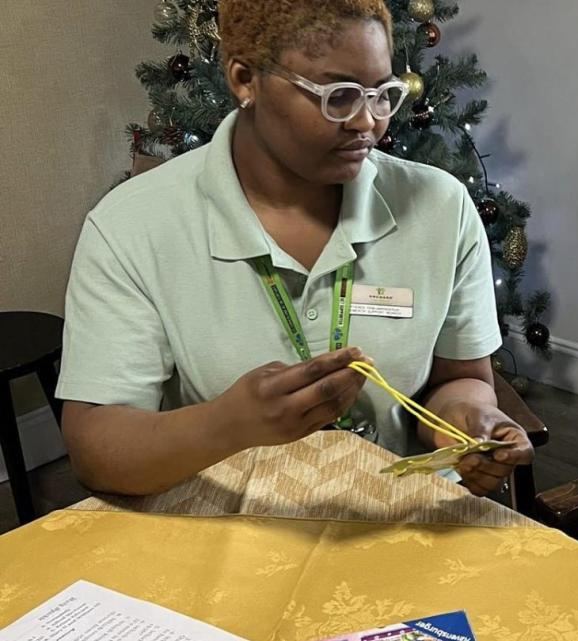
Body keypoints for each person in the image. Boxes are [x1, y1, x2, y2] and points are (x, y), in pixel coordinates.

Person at [57, 0, 533, 499]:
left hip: (396, 519)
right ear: (244, 79)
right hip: (226, 531)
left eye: (383, 94)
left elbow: (461, 378)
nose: (368, 123)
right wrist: (227, 426)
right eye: (340, 96)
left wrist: (468, 420)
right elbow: (95, 448)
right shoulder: (133, 225)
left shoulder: (440, 208)